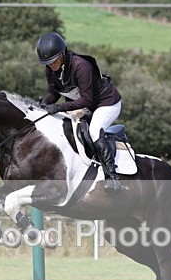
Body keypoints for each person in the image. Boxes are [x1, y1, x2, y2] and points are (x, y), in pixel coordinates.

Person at [35, 32, 122, 192]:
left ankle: (112, 177)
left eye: (53, 61)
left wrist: (59, 108)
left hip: (106, 104)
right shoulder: (50, 69)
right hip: (82, 105)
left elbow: (88, 100)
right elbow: (54, 93)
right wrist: (43, 103)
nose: (51, 65)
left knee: (95, 131)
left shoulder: (81, 66)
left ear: (62, 53)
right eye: (48, 63)